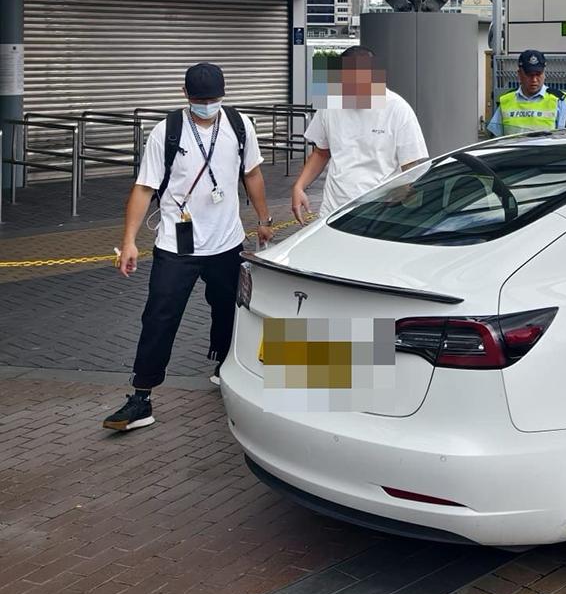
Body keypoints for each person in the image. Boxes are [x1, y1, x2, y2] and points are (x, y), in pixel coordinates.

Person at [106, 62, 273, 432]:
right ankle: (142, 396)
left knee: (229, 310)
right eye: (201, 100)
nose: (207, 106)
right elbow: (144, 188)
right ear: (185, 95)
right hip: (176, 246)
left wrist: (264, 220)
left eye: (213, 99)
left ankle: (225, 366)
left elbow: (252, 173)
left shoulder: (239, 125)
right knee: (159, 317)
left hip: (227, 242)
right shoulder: (166, 131)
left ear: (223, 95)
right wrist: (129, 241)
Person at [291, 46, 429, 221]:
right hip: (333, 210)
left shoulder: (397, 109)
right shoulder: (330, 104)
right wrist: (299, 186)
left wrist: (403, 195)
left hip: (378, 214)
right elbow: (321, 152)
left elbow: (412, 166)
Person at [488, 49, 566, 136]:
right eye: (529, 75)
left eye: (538, 74)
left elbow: (564, 137)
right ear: (519, 74)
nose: (534, 80)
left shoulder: (559, 100)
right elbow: (496, 137)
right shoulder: (506, 100)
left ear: (544, 74)